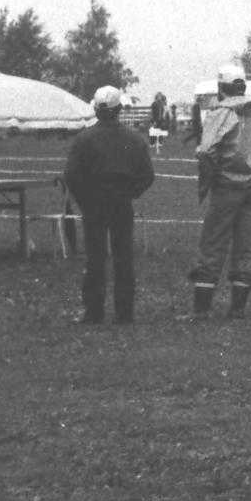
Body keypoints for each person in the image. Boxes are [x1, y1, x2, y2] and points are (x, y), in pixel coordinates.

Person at [188, 65, 251, 320]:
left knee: (212, 244)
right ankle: (238, 308)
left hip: (226, 186)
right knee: (244, 247)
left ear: (221, 88)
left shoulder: (221, 112)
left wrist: (212, 177)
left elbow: (206, 151)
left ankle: (201, 310)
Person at [63, 85, 157, 323]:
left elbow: (71, 175)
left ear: (96, 109)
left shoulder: (84, 139)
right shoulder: (134, 139)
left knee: (95, 258)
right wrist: (130, 193)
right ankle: (124, 313)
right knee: (123, 257)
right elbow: (147, 175)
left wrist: (84, 200)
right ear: (119, 109)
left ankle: (94, 312)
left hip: (93, 204)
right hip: (121, 203)